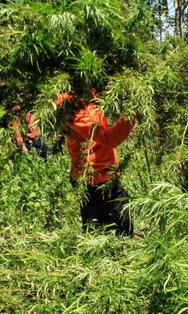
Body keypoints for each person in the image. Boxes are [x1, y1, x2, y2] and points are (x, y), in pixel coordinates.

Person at [56, 91, 137, 235]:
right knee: (102, 233)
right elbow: (109, 138)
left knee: (120, 227)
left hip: (106, 175)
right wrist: (133, 113)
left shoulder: (88, 92)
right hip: (93, 180)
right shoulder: (71, 107)